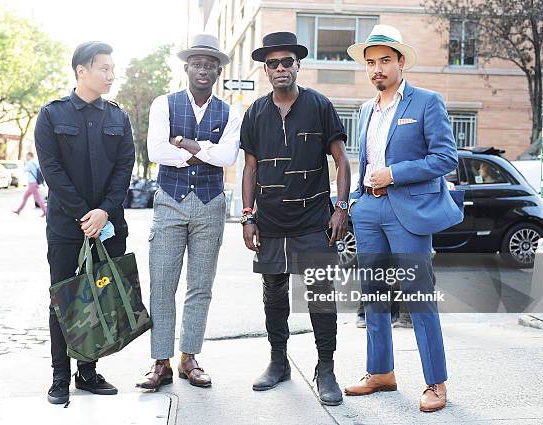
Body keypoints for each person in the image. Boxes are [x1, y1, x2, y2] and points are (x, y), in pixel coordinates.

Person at [343, 25, 463, 412]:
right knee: (374, 296)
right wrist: (357, 200)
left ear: (401, 62)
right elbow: (363, 161)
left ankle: (436, 383)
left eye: (384, 61)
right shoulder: (365, 109)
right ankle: (380, 373)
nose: (376, 69)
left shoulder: (427, 102)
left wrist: (394, 174)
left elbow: (446, 158)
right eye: (370, 63)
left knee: (418, 297)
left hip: (407, 210)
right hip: (369, 210)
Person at [240, 32, 351, 406]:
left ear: (298, 65)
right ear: (266, 69)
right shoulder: (255, 112)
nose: (281, 68)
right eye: (273, 63)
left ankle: (326, 368)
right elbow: (250, 169)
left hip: (313, 218)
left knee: (320, 295)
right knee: (273, 293)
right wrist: (247, 216)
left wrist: (341, 208)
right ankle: (278, 362)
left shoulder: (320, 105)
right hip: (270, 221)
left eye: (287, 61)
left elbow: (341, 161)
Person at [135, 34, 240, 391]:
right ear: (186, 68)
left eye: (210, 65)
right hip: (169, 201)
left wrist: (183, 144)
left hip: (211, 204)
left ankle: (189, 357)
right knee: (162, 284)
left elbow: (228, 158)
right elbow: (155, 151)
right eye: (197, 63)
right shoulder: (164, 104)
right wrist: (202, 150)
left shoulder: (230, 111)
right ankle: (160, 360)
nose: (203, 69)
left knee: (200, 286)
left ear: (217, 72)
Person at [34, 41, 135, 405]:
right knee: (63, 298)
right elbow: (53, 172)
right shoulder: (51, 115)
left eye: (112, 68)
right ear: (82, 71)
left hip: (108, 225)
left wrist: (105, 211)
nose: (111, 75)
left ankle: (88, 373)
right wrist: (83, 214)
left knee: (99, 294)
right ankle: (60, 377)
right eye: (104, 68)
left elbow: (125, 168)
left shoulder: (118, 118)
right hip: (66, 226)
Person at [12, 152, 47, 217]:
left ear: (30, 156)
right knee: (26, 197)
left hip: (32, 183)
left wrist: (24, 164)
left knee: (37, 199)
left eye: (27, 156)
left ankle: (45, 211)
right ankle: (18, 210)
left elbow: (24, 170)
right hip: (33, 183)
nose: (26, 157)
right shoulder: (35, 163)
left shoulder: (30, 163)